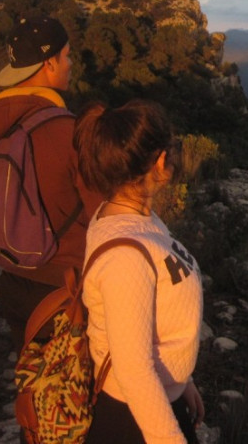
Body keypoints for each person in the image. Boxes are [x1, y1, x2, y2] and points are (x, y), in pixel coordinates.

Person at [0, 15, 103, 349]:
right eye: (66, 55)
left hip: (12, 284)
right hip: (67, 294)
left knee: (31, 386)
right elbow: (104, 214)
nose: (70, 63)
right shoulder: (69, 133)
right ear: (49, 62)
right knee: (73, 394)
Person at [73, 99, 204, 444]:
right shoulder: (125, 255)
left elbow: (155, 315)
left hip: (155, 401)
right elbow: (133, 369)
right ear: (160, 160)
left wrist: (182, 383)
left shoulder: (131, 216)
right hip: (134, 418)